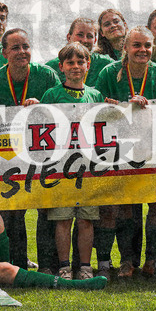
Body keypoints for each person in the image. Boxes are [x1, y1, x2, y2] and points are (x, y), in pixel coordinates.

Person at [95, 25, 156, 277]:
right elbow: (96, 108)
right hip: (119, 150)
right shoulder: (109, 73)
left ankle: (153, 259)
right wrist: (115, 106)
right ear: (125, 47)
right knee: (124, 206)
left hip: (154, 148)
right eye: (137, 45)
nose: (143, 50)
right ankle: (126, 261)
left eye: (147, 45)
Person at [0, 29, 62, 270]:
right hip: (8, 156)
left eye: (25, 46)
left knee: (46, 208)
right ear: (4, 52)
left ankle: (48, 264)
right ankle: (14, 264)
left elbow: (63, 109)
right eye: (15, 48)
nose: (22, 52)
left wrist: (42, 106)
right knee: (12, 212)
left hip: (42, 154)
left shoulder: (46, 75)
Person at [41, 43, 104, 280]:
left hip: (88, 167)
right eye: (70, 63)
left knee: (87, 219)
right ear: (61, 67)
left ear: (88, 65)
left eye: (80, 62)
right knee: (63, 219)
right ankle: (64, 266)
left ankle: (85, 267)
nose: (75, 66)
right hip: (61, 168)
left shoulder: (95, 95)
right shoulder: (52, 94)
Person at [45, 17, 115, 87]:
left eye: (89, 36)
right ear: (69, 37)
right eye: (80, 35)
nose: (85, 40)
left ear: (95, 40)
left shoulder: (106, 64)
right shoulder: (51, 67)